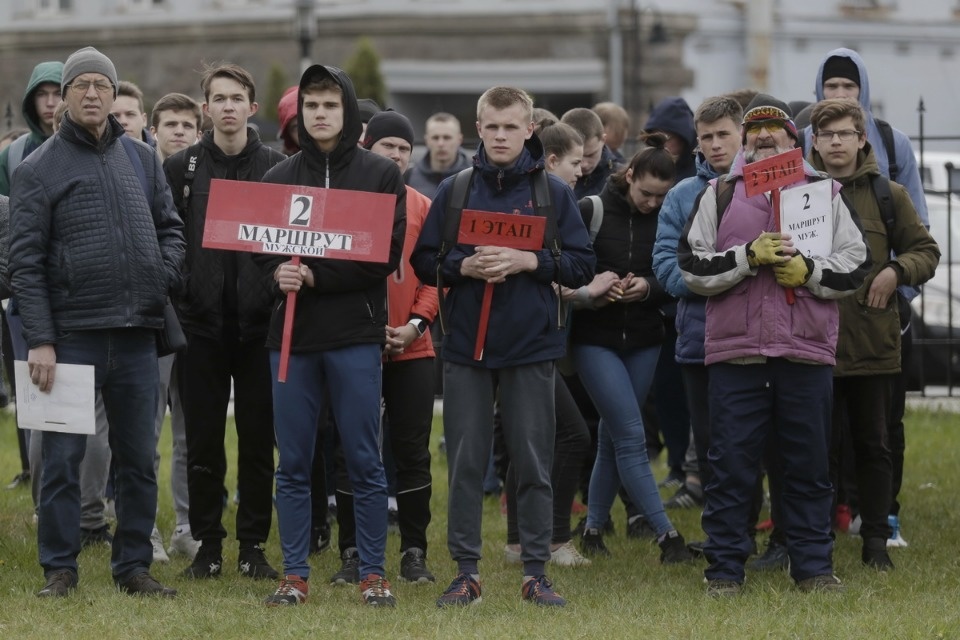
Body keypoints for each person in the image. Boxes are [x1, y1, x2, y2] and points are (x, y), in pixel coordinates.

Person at [677, 93, 871, 596]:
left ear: (793, 140)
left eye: (775, 131)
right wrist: (746, 257)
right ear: (745, 142)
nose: (764, 138)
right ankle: (724, 571)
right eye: (755, 132)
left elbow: (856, 266)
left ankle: (814, 569)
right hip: (736, 354)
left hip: (804, 352)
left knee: (808, 467)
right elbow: (691, 266)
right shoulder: (719, 193)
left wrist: (809, 272)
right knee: (731, 468)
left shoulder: (824, 193)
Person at [9, 46, 184, 598]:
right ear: (63, 97)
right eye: (80, 85)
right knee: (63, 461)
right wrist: (40, 339)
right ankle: (60, 568)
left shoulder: (143, 159)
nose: (91, 93)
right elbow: (25, 263)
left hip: (136, 336)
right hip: (70, 338)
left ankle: (133, 566)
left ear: (113, 94)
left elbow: (170, 229)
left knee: (138, 460)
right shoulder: (37, 169)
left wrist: (159, 276)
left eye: (101, 85)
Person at [411, 86, 595, 608]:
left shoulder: (552, 193)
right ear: (478, 128)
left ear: (529, 129)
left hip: (531, 345)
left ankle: (535, 573)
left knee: (533, 463)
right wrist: (464, 266)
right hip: (465, 346)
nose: (499, 136)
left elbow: (582, 265)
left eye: (510, 127)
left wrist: (529, 261)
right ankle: (466, 573)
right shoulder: (455, 188)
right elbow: (424, 260)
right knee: (467, 465)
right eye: (491, 126)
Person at [253, 64, 406, 608]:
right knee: (293, 461)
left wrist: (317, 277)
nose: (320, 114)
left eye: (330, 105)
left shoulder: (380, 174)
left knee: (364, 459)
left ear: (349, 112)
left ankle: (373, 573)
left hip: (354, 336)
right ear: (300, 113)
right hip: (291, 340)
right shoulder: (277, 178)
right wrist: (277, 273)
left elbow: (383, 255)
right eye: (312, 105)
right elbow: (259, 251)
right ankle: (294, 574)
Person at [162, 63, 285, 581]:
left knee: (258, 441)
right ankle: (208, 545)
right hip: (201, 327)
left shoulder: (278, 167)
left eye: (237, 98)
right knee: (203, 442)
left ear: (252, 107)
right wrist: (183, 289)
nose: (228, 107)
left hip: (260, 327)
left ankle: (253, 546)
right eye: (219, 98)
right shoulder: (182, 168)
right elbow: (168, 235)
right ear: (205, 108)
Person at [805, 48, 930, 547]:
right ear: (813, 139)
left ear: (862, 137)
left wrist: (897, 281)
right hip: (813, 338)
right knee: (817, 443)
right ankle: (815, 533)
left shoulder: (888, 186)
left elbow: (922, 244)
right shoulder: (798, 192)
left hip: (875, 334)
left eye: (848, 88)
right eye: (831, 87)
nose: (836, 141)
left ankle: (878, 530)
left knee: (877, 437)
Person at [565, 139, 693, 566]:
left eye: (661, 196)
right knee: (631, 435)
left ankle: (593, 529)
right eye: (646, 194)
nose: (652, 203)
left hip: (644, 338)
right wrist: (596, 288)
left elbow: (678, 274)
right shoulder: (591, 210)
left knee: (613, 435)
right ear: (630, 176)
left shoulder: (667, 216)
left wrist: (648, 288)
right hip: (595, 339)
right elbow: (569, 269)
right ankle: (667, 535)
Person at [330, 109, 438, 586]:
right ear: (366, 147)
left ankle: (414, 550)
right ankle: (352, 551)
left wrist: (415, 325)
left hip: (412, 347)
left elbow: (437, 275)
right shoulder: (344, 201)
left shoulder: (424, 206)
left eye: (403, 148)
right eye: (386, 146)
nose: (395, 155)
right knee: (352, 451)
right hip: (354, 345)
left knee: (412, 450)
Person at [502, 118, 592, 568]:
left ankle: (520, 540)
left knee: (533, 436)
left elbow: (571, 265)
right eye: (575, 162)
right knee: (570, 434)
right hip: (524, 340)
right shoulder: (536, 200)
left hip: (540, 339)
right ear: (552, 161)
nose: (582, 170)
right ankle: (552, 538)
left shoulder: (556, 200)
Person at [652, 95, 744, 515]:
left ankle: (756, 526)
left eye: (723, 134)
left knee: (752, 441)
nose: (715, 145)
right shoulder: (682, 194)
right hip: (700, 336)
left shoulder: (767, 188)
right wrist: (721, 280)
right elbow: (666, 267)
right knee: (708, 441)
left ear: (742, 134)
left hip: (755, 338)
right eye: (706, 137)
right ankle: (722, 531)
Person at [0, 61, 63, 491]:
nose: (51, 102)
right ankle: (37, 477)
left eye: (58, 92)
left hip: (77, 287)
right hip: (24, 285)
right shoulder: (14, 154)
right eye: (43, 94)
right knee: (33, 385)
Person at [405, 112, 473, 200]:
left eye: (447, 138)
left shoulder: (475, 176)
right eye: (435, 138)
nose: (441, 143)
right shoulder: (408, 176)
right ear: (426, 140)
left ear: (459, 140)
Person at [561, 107, 622, 199]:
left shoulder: (620, 178)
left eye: (590, 155)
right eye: (577, 158)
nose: (584, 164)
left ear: (603, 140)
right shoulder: (551, 176)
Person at [150, 93, 202, 162]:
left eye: (187, 126)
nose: (179, 131)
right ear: (154, 132)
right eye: (170, 125)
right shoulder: (139, 167)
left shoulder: (211, 168)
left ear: (198, 136)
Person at [111, 81, 155, 147]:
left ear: (144, 120)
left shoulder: (162, 151)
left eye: (130, 114)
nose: (123, 121)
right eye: (115, 116)